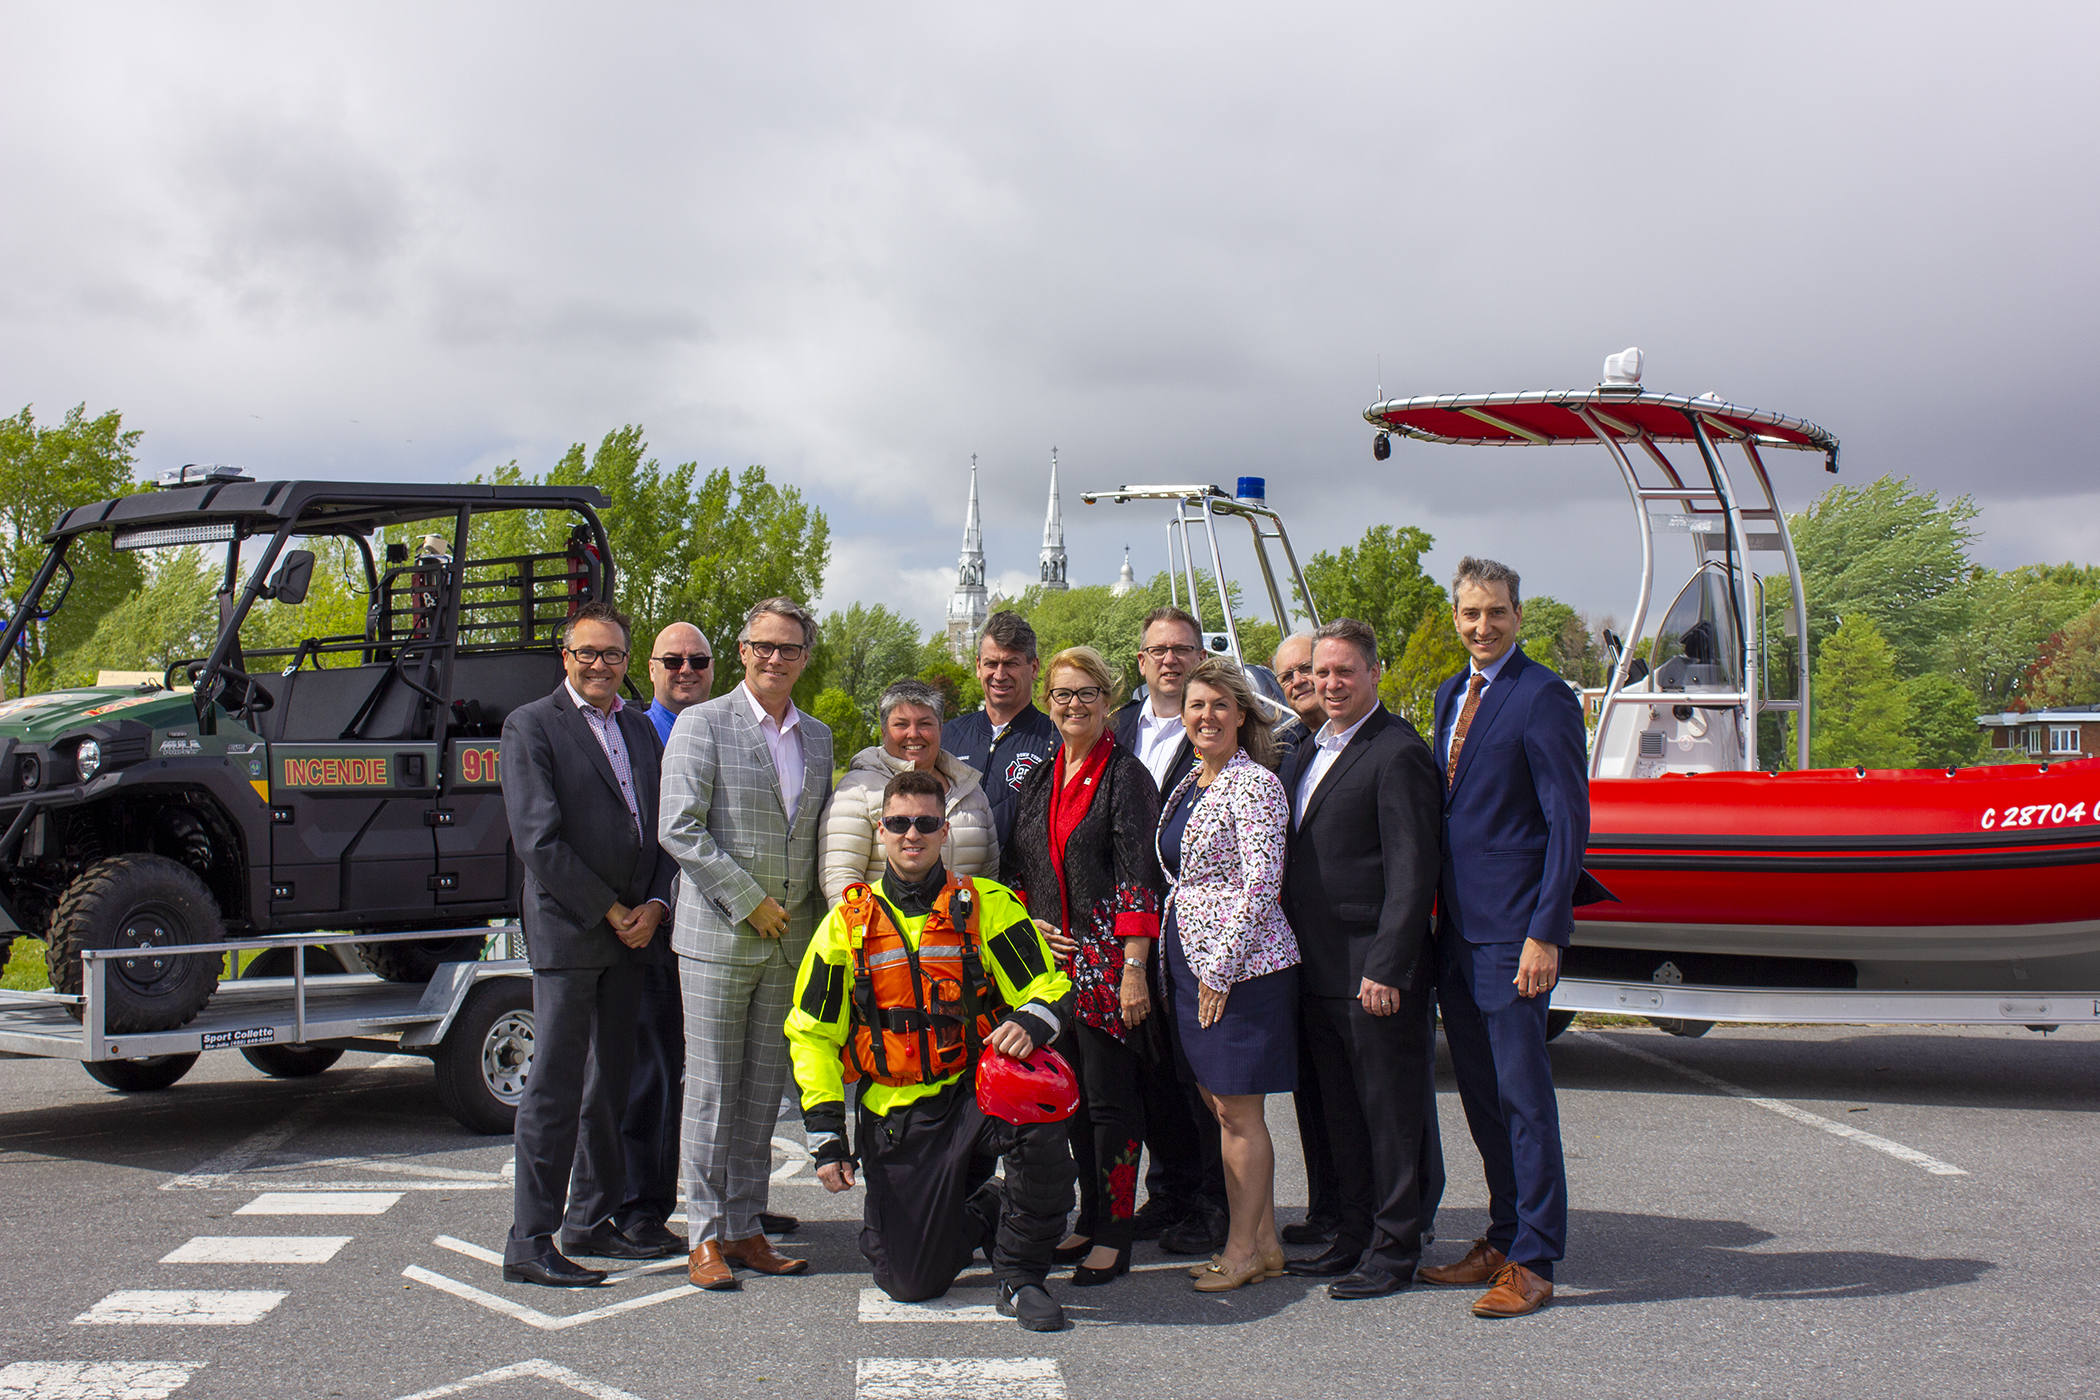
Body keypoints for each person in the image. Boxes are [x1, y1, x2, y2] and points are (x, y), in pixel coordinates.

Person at [788, 768, 1078, 1332]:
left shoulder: (986, 904)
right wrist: (826, 1134)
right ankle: (983, 1210)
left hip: (976, 1095)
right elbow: (812, 1033)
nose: (911, 834)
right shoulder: (846, 924)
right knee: (910, 1281)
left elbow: (1049, 986)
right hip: (898, 1114)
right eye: (899, 824)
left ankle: (1021, 1276)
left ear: (944, 830)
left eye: (924, 823)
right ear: (881, 830)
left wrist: (1031, 1021)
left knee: (1041, 1115)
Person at [1417, 558, 1586, 1319]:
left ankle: (1536, 1258)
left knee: (1523, 1097)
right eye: (1469, 614)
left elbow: (1566, 824)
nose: (1481, 626)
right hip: (1455, 930)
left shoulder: (1544, 695)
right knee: (1481, 1094)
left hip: (1514, 933)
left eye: (1495, 613)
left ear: (1519, 616)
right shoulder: (1453, 693)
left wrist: (1546, 932)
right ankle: (1502, 1231)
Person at [659, 597, 833, 1291]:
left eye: (789, 648)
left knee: (764, 1096)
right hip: (718, 937)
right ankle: (701, 1238)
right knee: (710, 1092)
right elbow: (681, 828)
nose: (775, 658)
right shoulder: (703, 725)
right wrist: (747, 899)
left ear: (804, 657)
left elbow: (815, 837)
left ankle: (743, 1226)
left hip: (788, 943)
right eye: (764, 645)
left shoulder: (817, 737)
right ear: (742, 650)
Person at [500, 601, 676, 1286]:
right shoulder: (531, 726)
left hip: (635, 932)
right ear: (564, 657)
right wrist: (610, 909)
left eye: (612, 655)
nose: (600, 665)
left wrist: (655, 904)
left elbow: (664, 825)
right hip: (573, 931)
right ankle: (529, 1240)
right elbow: (539, 840)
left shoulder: (639, 728)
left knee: (611, 1085)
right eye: (587, 653)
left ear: (628, 662)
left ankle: (592, 1221)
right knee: (555, 1089)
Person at [1279, 617, 1442, 1301]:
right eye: (1323, 671)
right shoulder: (1306, 750)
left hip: (1370, 972)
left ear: (1374, 674)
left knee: (1390, 1116)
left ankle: (1395, 1246)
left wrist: (1389, 966)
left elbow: (1413, 871)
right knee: (1340, 1115)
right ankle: (1351, 1234)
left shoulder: (1396, 751)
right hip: (1316, 970)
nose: (1332, 682)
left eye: (1346, 670)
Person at [1004, 646, 1163, 1287]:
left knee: (1110, 1106)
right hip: (1053, 972)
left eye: (1087, 693)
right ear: (1048, 701)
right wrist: (1028, 921)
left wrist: (1133, 967)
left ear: (1108, 699)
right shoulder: (1041, 776)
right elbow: (1021, 869)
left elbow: (1138, 878)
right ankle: (1089, 1218)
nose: (1074, 704)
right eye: (1063, 693)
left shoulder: (1127, 776)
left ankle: (1115, 1235)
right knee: (1069, 1103)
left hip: (1107, 970)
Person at [1156, 658, 1300, 1292]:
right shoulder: (1194, 779)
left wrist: (1219, 969)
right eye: (1195, 706)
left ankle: (1240, 1251)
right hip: (1192, 959)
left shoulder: (1255, 785)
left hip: (1240, 969)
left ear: (1242, 714)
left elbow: (1260, 884)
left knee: (1239, 1112)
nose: (1206, 716)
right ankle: (1265, 1242)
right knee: (1222, 1105)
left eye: (1219, 705)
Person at [593, 621, 717, 1256]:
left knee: (721, 1076)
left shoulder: (727, 729)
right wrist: (648, 905)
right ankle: (638, 1208)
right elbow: (647, 834)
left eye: (698, 659)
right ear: (652, 666)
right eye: (673, 660)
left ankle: (728, 1212)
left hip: (713, 929)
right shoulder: (634, 735)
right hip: (644, 933)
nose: (686, 669)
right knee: (652, 1076)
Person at [1112, 607, 1225, 1255]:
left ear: (1198, 658)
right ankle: (1171, 1191)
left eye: (1183, 650)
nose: (1170, 660)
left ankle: (1213, 1204)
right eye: (1159, 650)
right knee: (1150, 1069)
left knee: (1196, 1072)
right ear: (1141, 661)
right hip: (1128, 921)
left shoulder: (1212, 727)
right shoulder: (1119, 726)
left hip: (1191, 925)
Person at [1268, 631, 1341, 1248]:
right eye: (1287, 675)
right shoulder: (1293, 751)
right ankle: (1328, 1210)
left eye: (1308, 670)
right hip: (1302, 953)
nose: (1299, 682)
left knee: (1376, 1099)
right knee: (1314, 1092)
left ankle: (1408, 1216)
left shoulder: (1382, 745)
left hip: (1354, 951)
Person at [820, 678, 999, 901]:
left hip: (963, 932)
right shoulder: (857, 791)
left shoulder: (970, 791)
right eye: (901, 724)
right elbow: (840, 879)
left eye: (925, 723)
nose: (913, 734)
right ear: (884, 732)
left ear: (941, 730)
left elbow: (990, 879)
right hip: (884, 931)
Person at [943, 611, 1060, 852]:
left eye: (1011, 663)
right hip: (955, 885)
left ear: (1034, 667)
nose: (999, 675)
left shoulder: (1056, 740)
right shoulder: (949, 736)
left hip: (1022, 887)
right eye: (991, 664)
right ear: (978, 667)